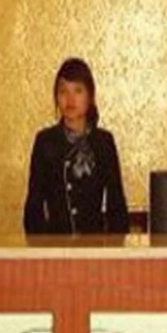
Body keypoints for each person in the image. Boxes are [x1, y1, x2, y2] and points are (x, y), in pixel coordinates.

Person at [23, 58, 129, 235]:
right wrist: (40, 245)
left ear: (90, 96)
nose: (70, 99)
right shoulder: (45, 141)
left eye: (78, 90)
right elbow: (34, 206)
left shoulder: (103, 142)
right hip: (55, 244)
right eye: (63, 91)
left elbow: (116, 204)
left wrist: (115, 245)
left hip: (95, 244)